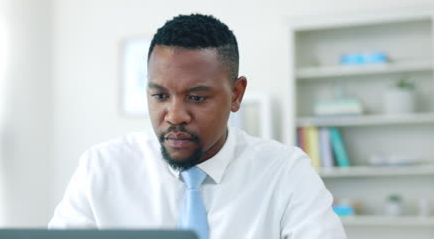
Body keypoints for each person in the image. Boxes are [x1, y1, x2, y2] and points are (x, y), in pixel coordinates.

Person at [49, 14, 347, 239]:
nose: (175, 115)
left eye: (196, 97)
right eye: (160, 96)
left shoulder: (285, 171)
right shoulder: (101, 168)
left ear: (236, 94)